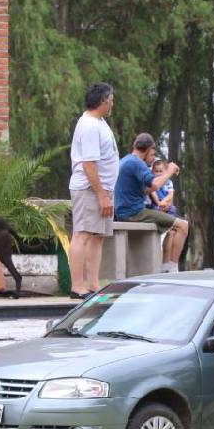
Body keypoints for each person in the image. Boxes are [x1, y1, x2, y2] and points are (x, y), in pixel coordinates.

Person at [67, 82, 119, 300]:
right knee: (83, 234)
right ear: (102, 101)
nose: (113, 103)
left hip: (104, 189)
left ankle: (93, 284)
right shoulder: (88, 124)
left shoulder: (100, 122)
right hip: (90, 189)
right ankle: (77, 287)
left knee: (98, 236)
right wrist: (101, 195)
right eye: (111, 100)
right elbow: (89, 164)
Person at [114, 133, 189, 273]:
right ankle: (172, 268)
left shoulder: (125, 160)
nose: (153, 158)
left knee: (172, 229)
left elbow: (148, 188)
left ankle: (167, 264)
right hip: (134, 213)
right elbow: (155, 183)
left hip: (124, 211)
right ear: (147, 149)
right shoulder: (136, 163)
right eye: (153, 154)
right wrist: (169, 171)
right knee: (183, 226)